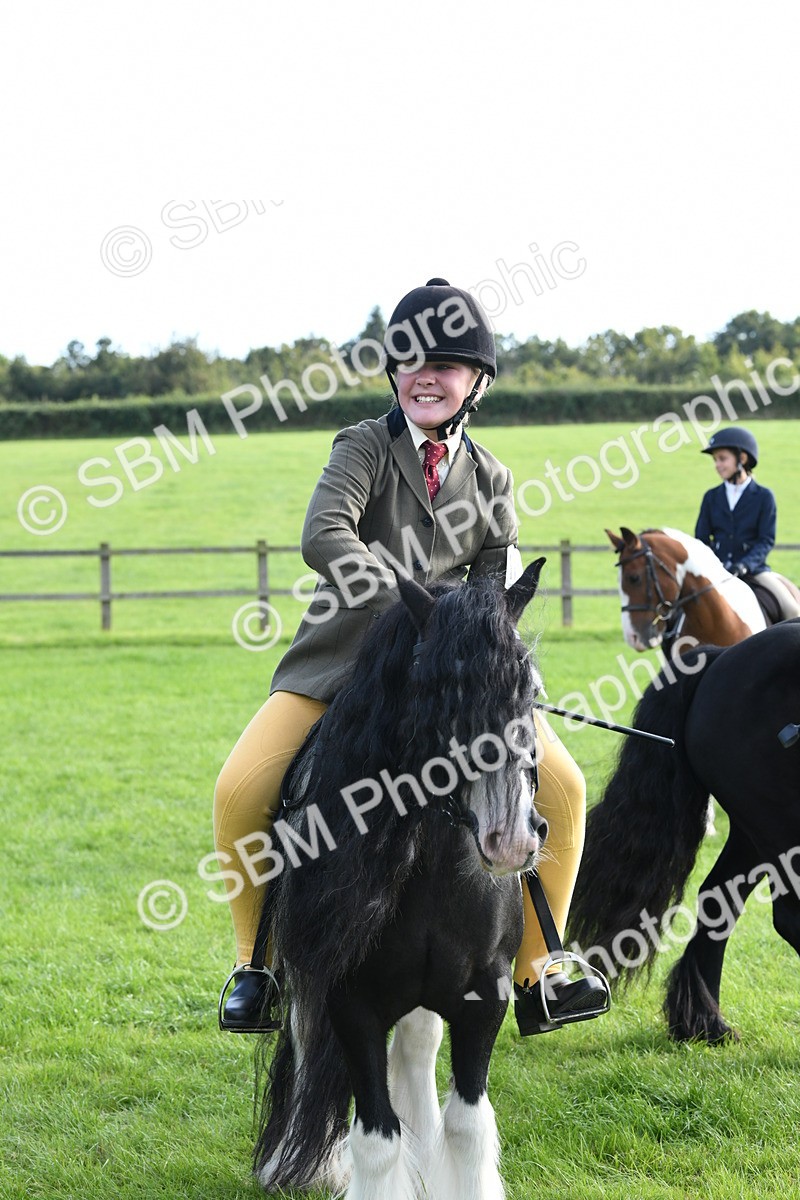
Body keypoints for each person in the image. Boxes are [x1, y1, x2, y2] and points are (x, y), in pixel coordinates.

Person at [213, 278, 608, 1037]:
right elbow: (324, 534)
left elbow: (493, 584)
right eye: (410, 362)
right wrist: (407, 610)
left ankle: (542, 970)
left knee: (564, 786)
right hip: (343, 663)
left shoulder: (492, 478)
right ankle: (255, 968)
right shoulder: (363, 446)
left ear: (476, 382)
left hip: (456, 680)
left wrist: (475, 645)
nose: (426, 377)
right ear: (393, 373)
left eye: (446, 366)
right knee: (241, 788)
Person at [695, 426, 800, 619]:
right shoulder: (711, 497)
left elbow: (766, 541)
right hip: (717, 571)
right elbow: (701, 538)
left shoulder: (764, 496)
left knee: (792, 610)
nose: (717, 465)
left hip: (754, 571)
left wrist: (744, 565)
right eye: (715, 460)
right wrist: (714, 564)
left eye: (722, 459)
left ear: (742, 459)